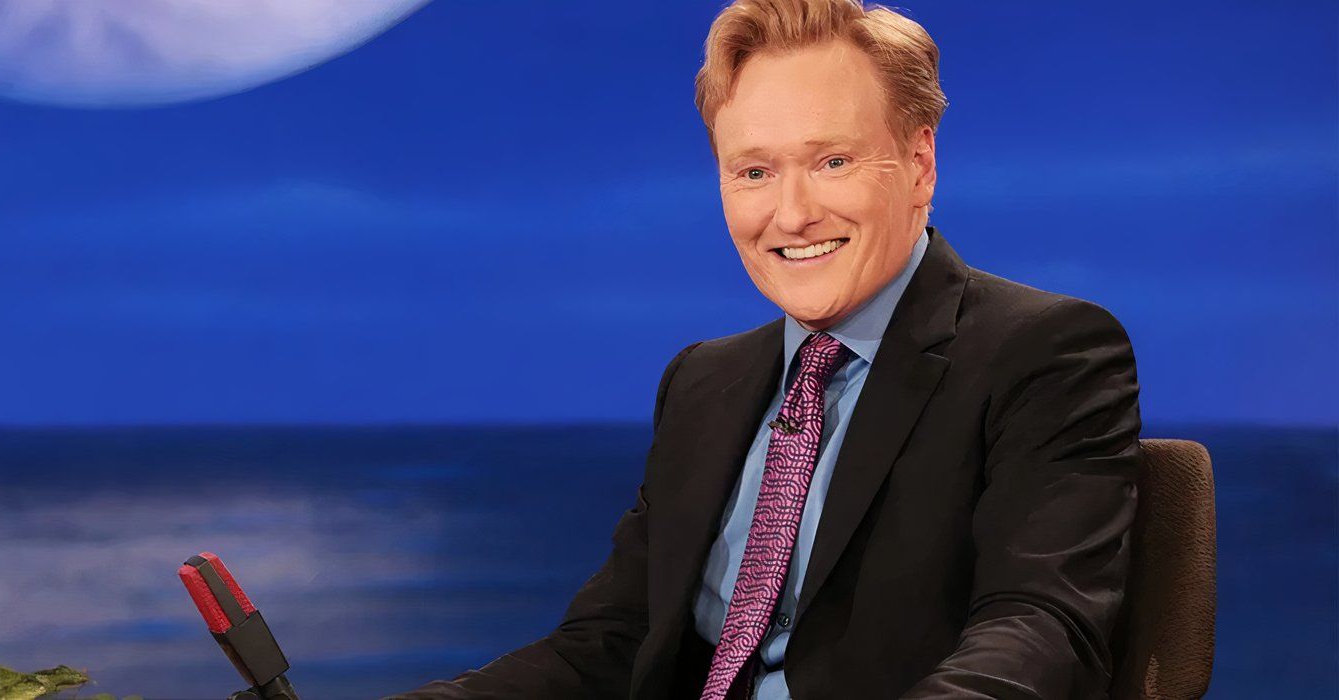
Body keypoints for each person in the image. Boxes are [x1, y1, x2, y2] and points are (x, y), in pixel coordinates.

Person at [388, 1, 1141, 698]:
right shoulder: (702, 382)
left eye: (831, 162)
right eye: (754, 172)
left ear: (920, 164)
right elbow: (611, 645)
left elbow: (1039, 632)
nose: (792, 214)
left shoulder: (1048, 352)